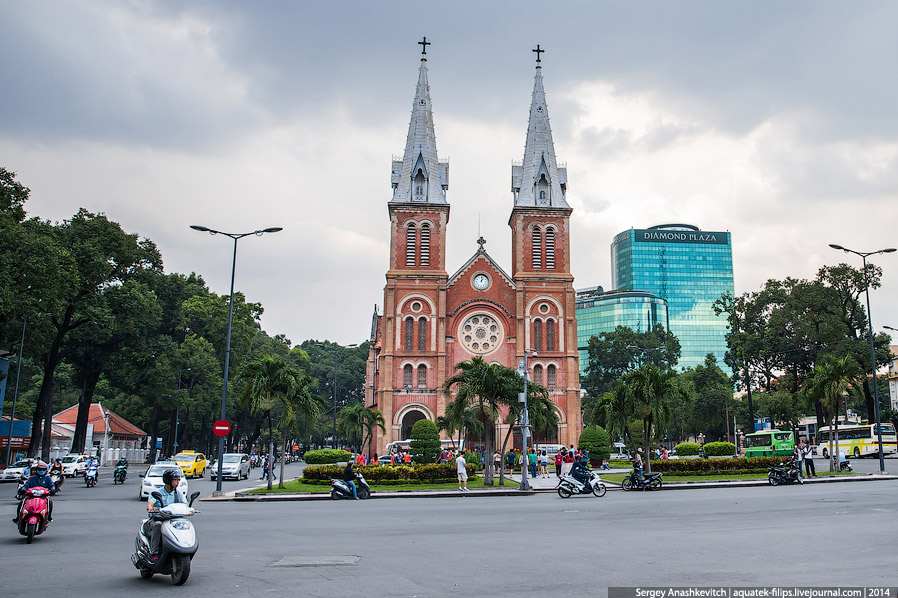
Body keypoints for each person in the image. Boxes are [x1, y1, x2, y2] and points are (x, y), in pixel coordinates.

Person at [145, 468, 191, 558]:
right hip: (159, 519)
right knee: (157, 525)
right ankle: (154, 552)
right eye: (175, 480)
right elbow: (150, 504)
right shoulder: (158, 493)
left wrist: (190, 509)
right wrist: (151, 508)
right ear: (168, 480)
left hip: (173, 519)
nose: (178, 482)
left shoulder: (178, 493)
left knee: (184, 524)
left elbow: (185, 504)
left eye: (179, 480)